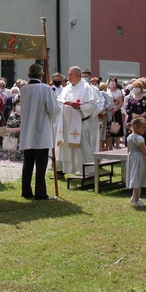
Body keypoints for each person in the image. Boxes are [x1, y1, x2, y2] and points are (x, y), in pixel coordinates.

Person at [19, 63, 61, 200]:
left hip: (27, 131)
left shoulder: (23, 89)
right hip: (41, 130)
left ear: (29, 75)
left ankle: (26, 190)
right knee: (41, 164)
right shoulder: (45, 88)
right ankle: (40, 192)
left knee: (28, 163)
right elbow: (53, 109)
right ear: (42, 75)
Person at [55, 66, 98, 175]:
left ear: (78, 76)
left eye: (70, 74)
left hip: (80, 123)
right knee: (64, 146)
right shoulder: (66, 88)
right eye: (68, 74)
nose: (68, 76)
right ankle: (63, 170)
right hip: (65, 123)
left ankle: (87, 171)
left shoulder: (86, 88)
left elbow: (93, 105)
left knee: (83, 148)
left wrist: (79, 107)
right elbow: (59, 100)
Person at [106, 77, 124, 150]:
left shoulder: (118, 92)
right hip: (108, 111)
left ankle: (117, 146)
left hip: (116, 111)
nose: (112, 83)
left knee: (117, 129)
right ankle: (109, 147)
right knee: (109, 130)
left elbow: (120, 103)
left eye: (114, 81)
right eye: (111, 81)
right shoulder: (106, 91)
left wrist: (115, 110)